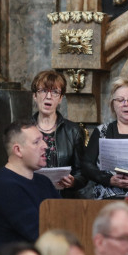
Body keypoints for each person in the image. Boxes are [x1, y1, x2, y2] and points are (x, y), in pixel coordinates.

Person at [0, 119, 61, 253]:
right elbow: (39, 234)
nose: (45, 146)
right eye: (36, 142)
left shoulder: (43, 182)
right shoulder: (6, 187)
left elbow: (64, 217)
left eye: (43, 140)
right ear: (18, 150)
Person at [81, 79, 128, 198]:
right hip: (106, 199)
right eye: (120, 100)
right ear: (113, 105)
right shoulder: (101, 131)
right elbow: (86, 166)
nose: (126, 104)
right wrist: (109, 179)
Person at [31, 70, 87, 198]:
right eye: (43, 91)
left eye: (55, 92)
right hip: (31, 197)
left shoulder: (73, 131)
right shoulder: (24, 129)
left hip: (62, 199)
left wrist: (74, 181)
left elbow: (83, 172)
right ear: (35, 95)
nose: (48, 96)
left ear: (61, 98)